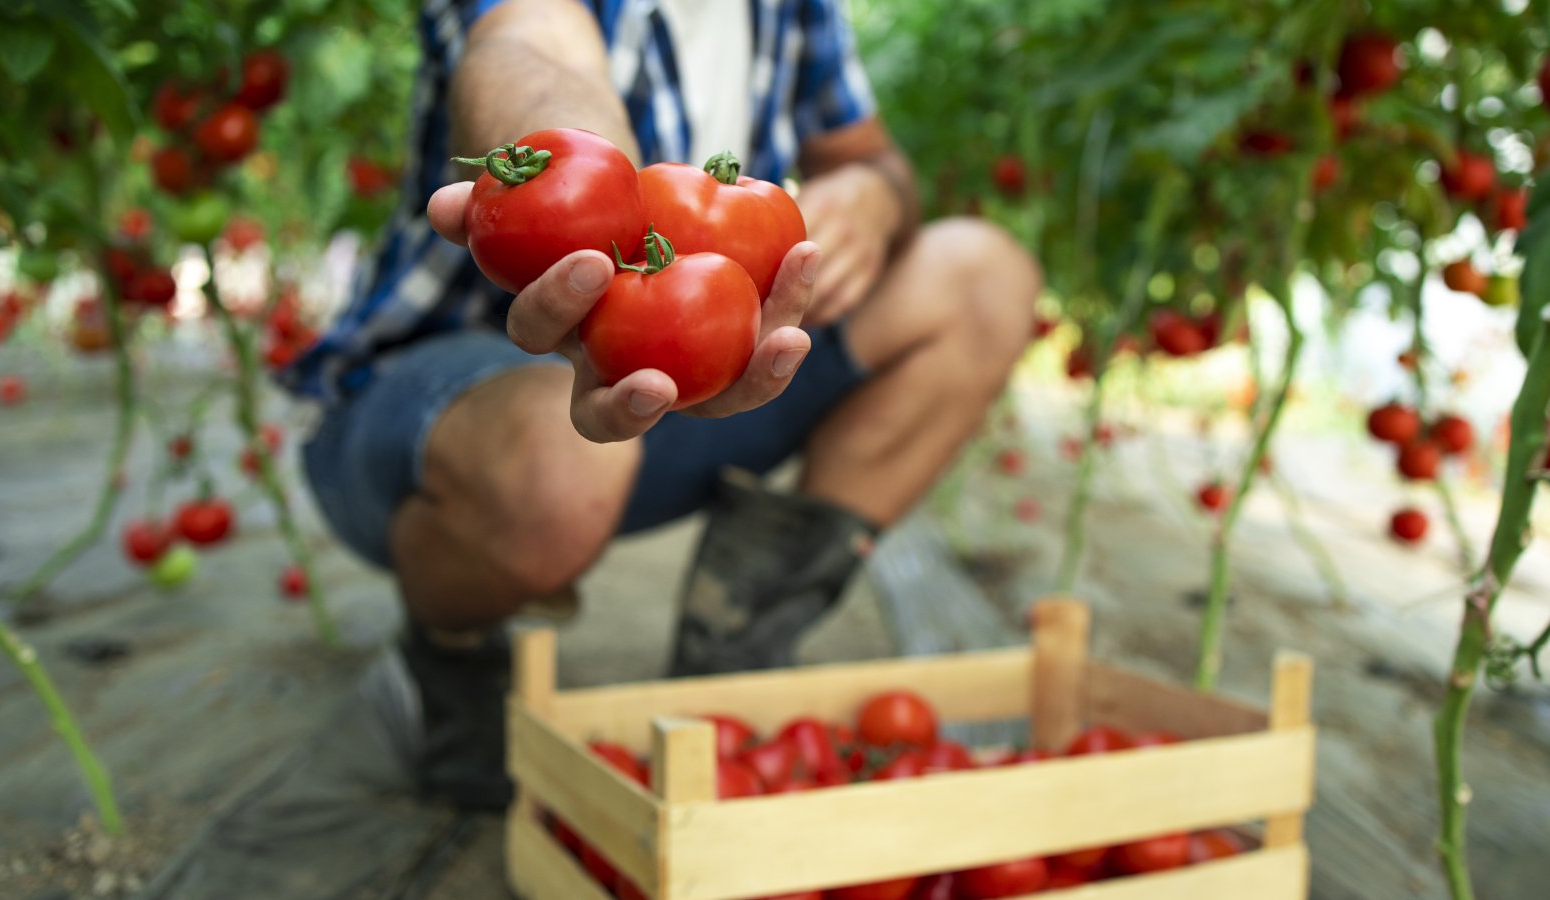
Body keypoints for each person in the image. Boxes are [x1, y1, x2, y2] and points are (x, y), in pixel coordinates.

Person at [282, 0, 1041, 811]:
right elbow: (530, 47)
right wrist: (580, 194)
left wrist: (871, 196)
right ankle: (453, 652)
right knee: (553, 460)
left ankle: (738, 632)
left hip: (704, 368)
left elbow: (874, 158)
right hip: (449, 405)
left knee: (984, 276)